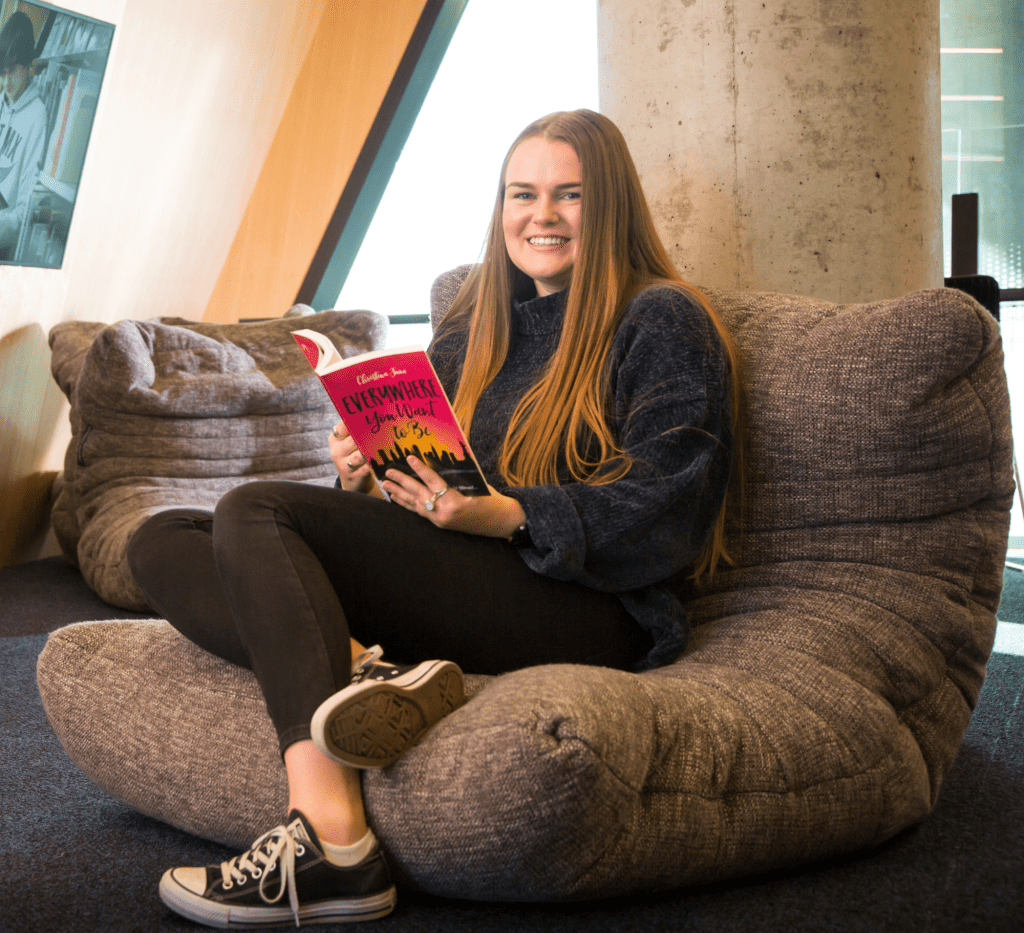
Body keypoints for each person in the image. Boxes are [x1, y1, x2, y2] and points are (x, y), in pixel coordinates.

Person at [127, 108, 742, 928]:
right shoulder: (476, 326)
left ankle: (330, 841)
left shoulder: (661, 318)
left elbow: (670, 508)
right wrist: (362, 475)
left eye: (570, 195)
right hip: (477, 578)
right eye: (522, 193)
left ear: (612, 206)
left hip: (598, 604)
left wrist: (507, 515)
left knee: (255, 508)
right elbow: (427, 489)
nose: (543, 215)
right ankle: (364, 671)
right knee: (160, 538)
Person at [0, 11, 46, 259]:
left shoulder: (38, 115)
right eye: (2, 72)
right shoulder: (1, 101)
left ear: (27, 64)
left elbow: (24, 210)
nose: (6, 81)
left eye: (12, 70)